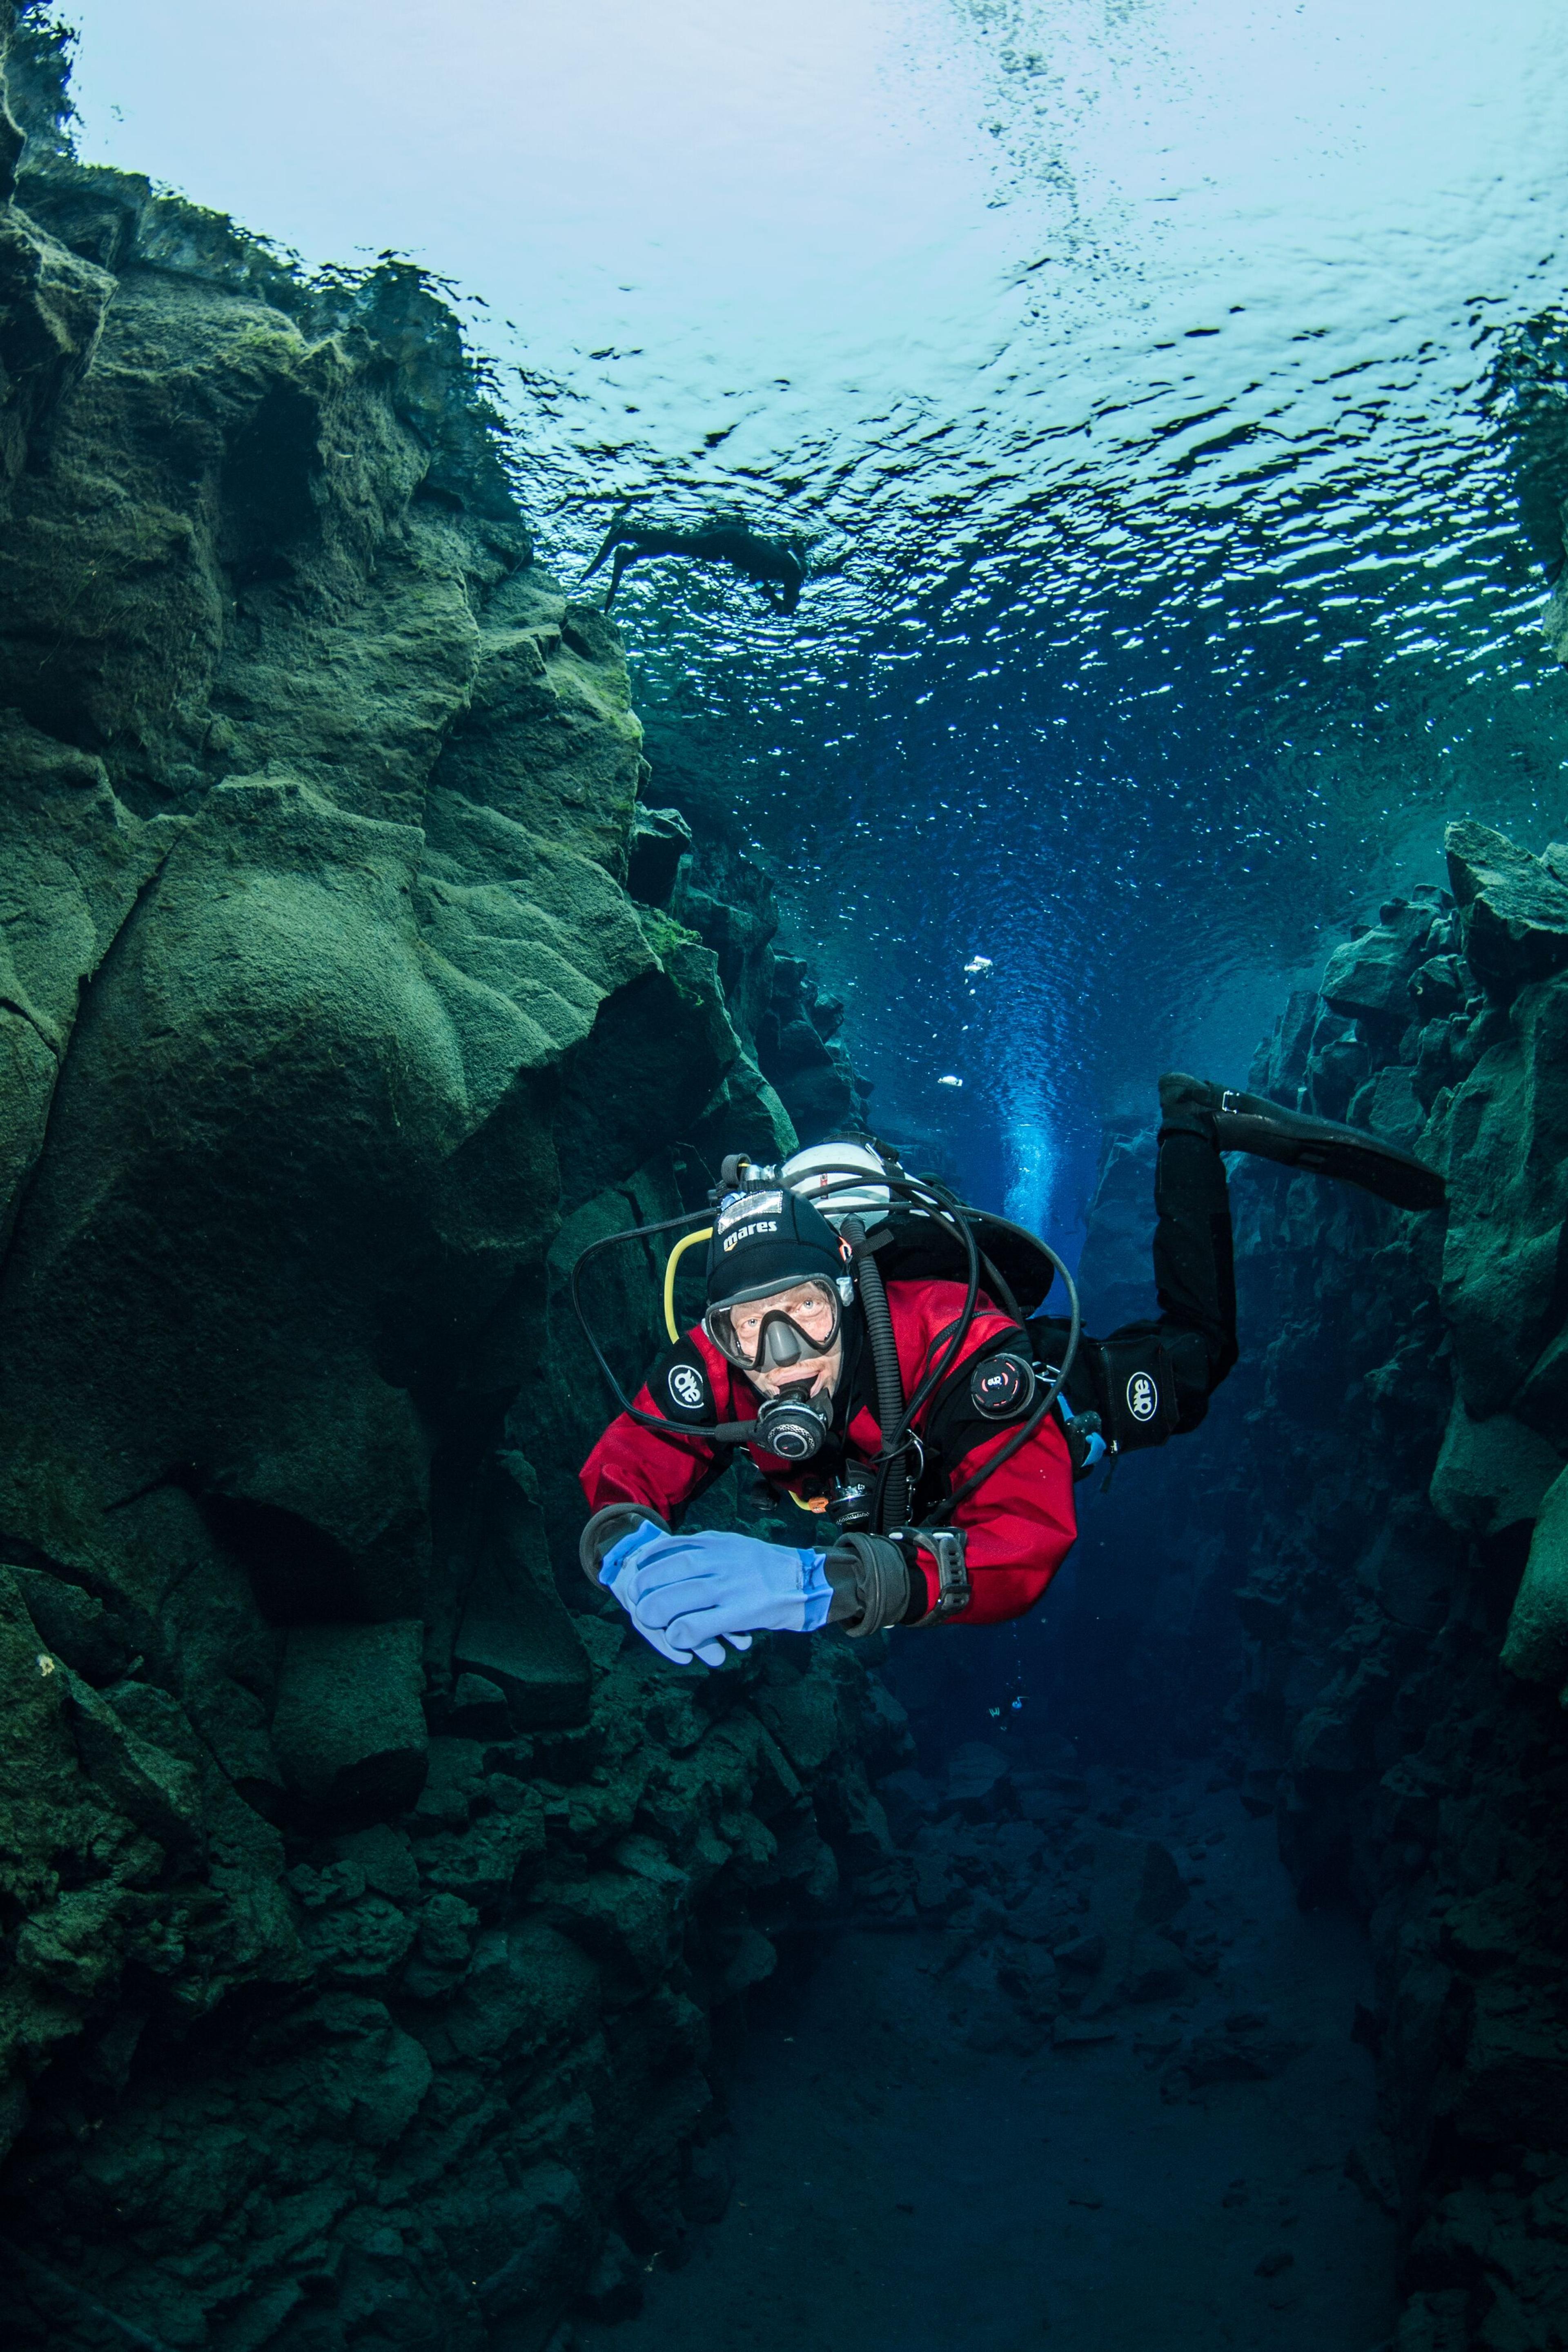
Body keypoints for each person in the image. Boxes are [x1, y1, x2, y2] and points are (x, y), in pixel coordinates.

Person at [577, 1074, 1444, 1668]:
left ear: (844, 1292)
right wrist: (625, 1549)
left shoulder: (964, 1347)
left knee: (1199, 1359)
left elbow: (1025, 1544)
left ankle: (1196, 1124)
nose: (782, 1357)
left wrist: (820, 1585)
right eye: (745, 1331)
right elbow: (632, 1457)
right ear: (717, 1333)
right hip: (906, 1475)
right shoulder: (726, 1356)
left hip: (1026, 1414)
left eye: (804, 1312)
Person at [581, 507, 809, 614]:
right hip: (731, 543)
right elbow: (791, 604)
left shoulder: (779, 562)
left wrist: (769, 597)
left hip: (730, 544)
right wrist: (780, 606)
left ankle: (631, 553)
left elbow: (756, 579)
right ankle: (625, 533)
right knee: (679, 544)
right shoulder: (794, 572)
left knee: (680, 546)